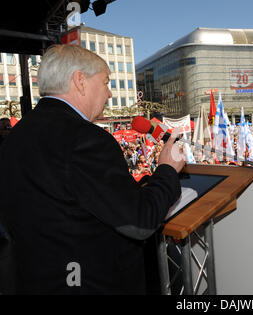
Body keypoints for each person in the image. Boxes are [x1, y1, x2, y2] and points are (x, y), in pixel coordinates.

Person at [0, 45, 185, 294]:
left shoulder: (15, 136)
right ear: (80, 81)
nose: (109, 93)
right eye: (106, 82)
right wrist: (167, 170)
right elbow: (140, 222)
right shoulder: (86, 139)